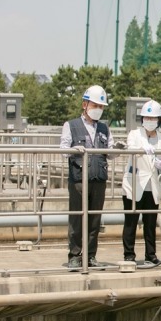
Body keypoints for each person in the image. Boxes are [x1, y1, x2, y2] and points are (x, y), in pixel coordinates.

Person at [59, 85, 114, 270]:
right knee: (77, 218)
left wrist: (118, 150)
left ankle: (90, 256)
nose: (98, 109)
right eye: (95, 105)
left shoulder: (105, 129)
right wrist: (74, 150)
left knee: (94, 220)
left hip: (98, 179)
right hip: (79, 179)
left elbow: (111, 152)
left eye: (101, 106)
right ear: (85, 104)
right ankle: (74, 255)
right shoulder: (71, 125)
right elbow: (62, 150)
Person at [121, 99, 161, 265]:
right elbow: (130, 148)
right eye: (147, 118)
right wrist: (144, 150)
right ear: (142, 119)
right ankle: (129, 254)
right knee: (131, 222)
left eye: (153, 118)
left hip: (152, 185)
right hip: (134, 184)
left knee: (150, 222)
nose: (150, 121)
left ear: (159, 120)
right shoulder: (135, 134)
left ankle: (151, 254)